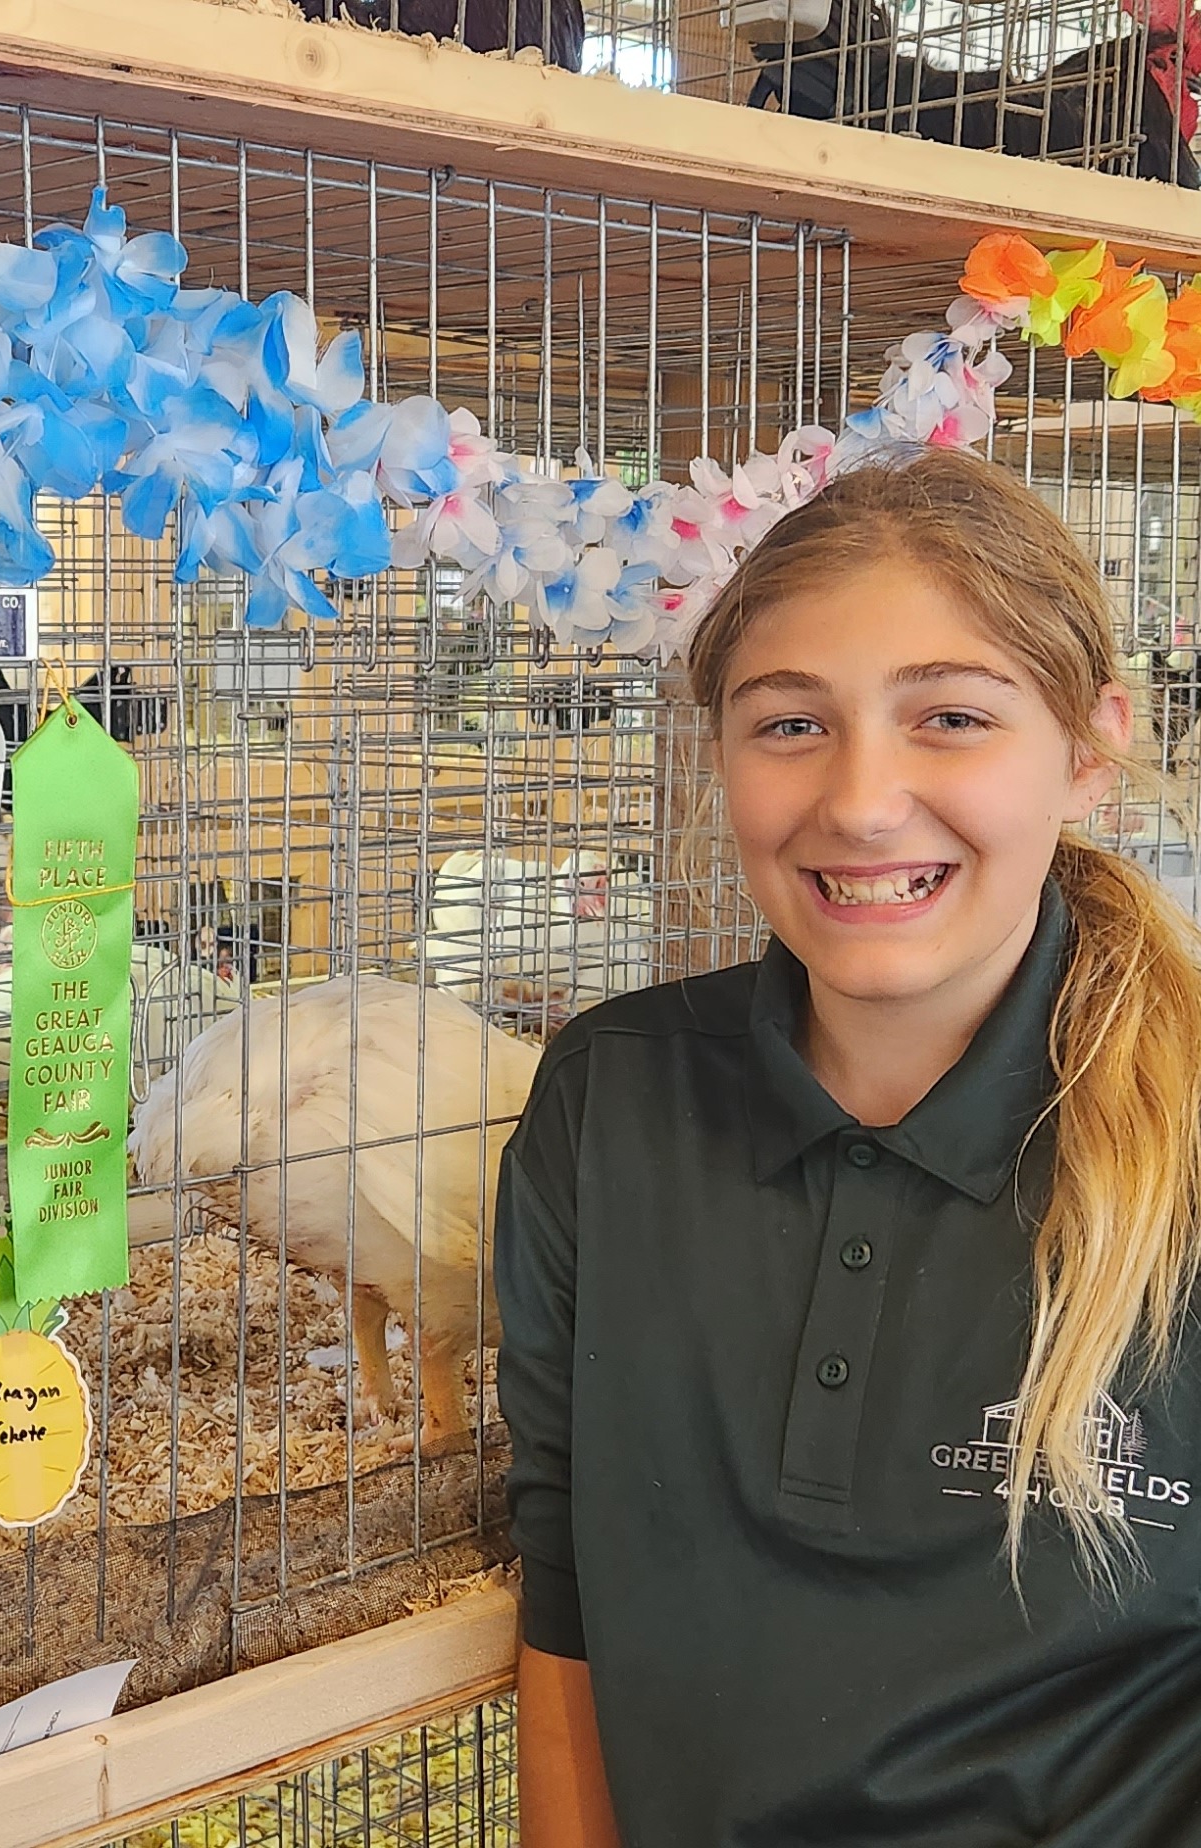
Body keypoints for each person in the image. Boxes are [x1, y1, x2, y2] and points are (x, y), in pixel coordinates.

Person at [497, 446, 1201, 1847]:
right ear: (721, 762)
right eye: (790, 725)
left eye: (949, 717)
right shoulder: (610, 1102)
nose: (864, 802)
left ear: (1089, 754)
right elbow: (567, 1589)